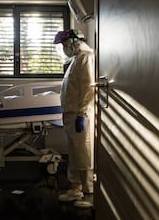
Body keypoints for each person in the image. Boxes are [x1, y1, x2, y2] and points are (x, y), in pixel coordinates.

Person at [53, 29, 95, 208]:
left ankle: (90, 193)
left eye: (63, 45)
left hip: (80, 115)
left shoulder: (86, 58)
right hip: (71, 114)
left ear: (72, 42)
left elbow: (89, 87)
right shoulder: (75, 60)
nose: (62, 49)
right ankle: (75, 188)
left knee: (84, 155)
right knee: (74, 154)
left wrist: (82, 113)